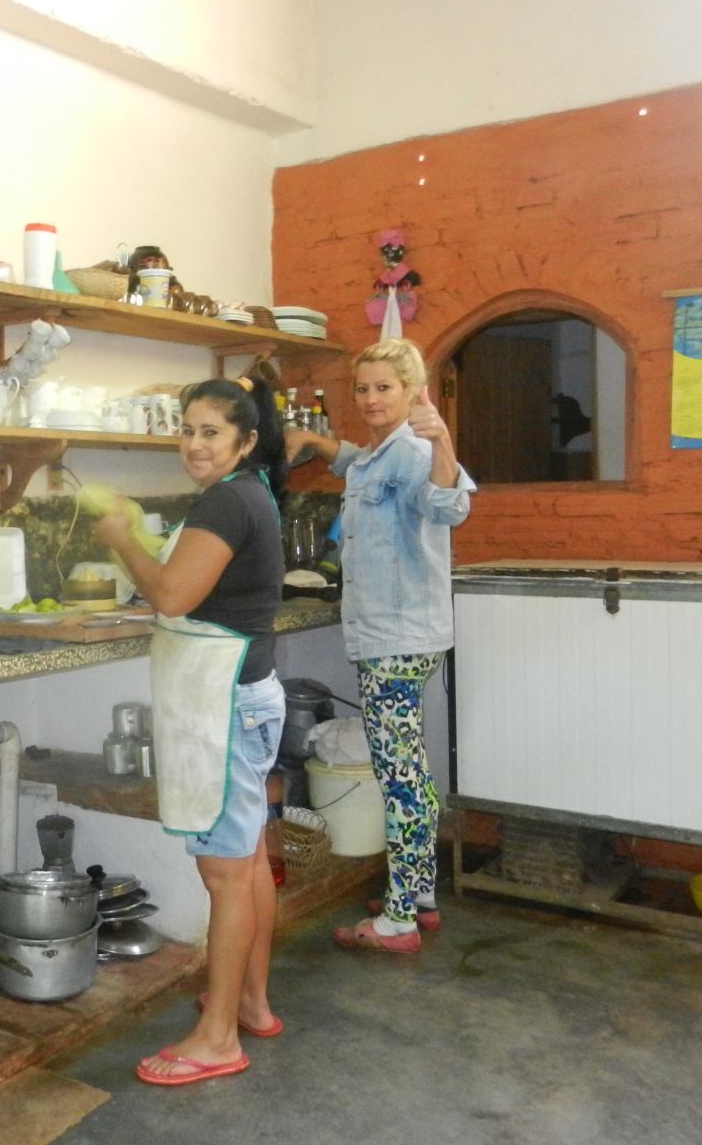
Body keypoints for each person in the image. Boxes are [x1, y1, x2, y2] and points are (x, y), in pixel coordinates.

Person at [94, 376, 287, 1085]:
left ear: (245, 440)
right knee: (247, 862)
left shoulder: (227, 501)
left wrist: (124, 542)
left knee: (226, 876)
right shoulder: (248, 493)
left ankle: (217, 1038)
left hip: (224, 708)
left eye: (211, 432)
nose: (195, 444)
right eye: (187, 429)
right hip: (243, 698)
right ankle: (251, 1003)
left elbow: (174, 593)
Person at [285, 338, 475, 954]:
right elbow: (358, 463)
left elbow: (449, 506)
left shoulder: (415, 449)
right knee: (409, 766)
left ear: (413, 391)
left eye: (384, 388)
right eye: (362, 388)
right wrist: (317, 444)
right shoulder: (383, 451)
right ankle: (418, 895)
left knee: (399, 775)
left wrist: (442, 440)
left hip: (396, 637)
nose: (370, 398)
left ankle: (397, 922)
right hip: (399, 634)